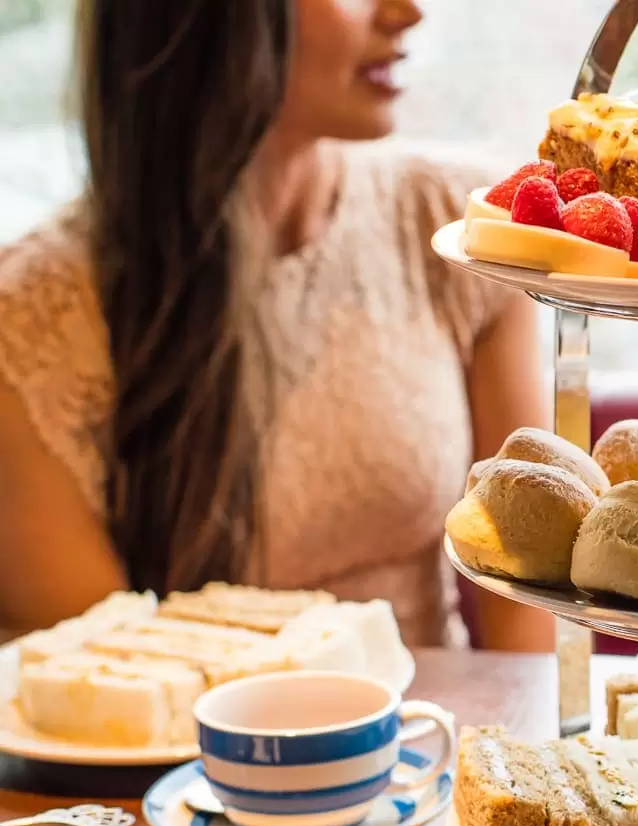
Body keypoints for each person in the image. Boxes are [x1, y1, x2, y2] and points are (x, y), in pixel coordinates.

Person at [0, 1, 552, 651]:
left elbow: (534, 632)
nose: (408, 11)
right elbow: (108, 687)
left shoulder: (461, 232)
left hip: (444, 739)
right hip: (194, 754)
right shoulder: (30, 320)